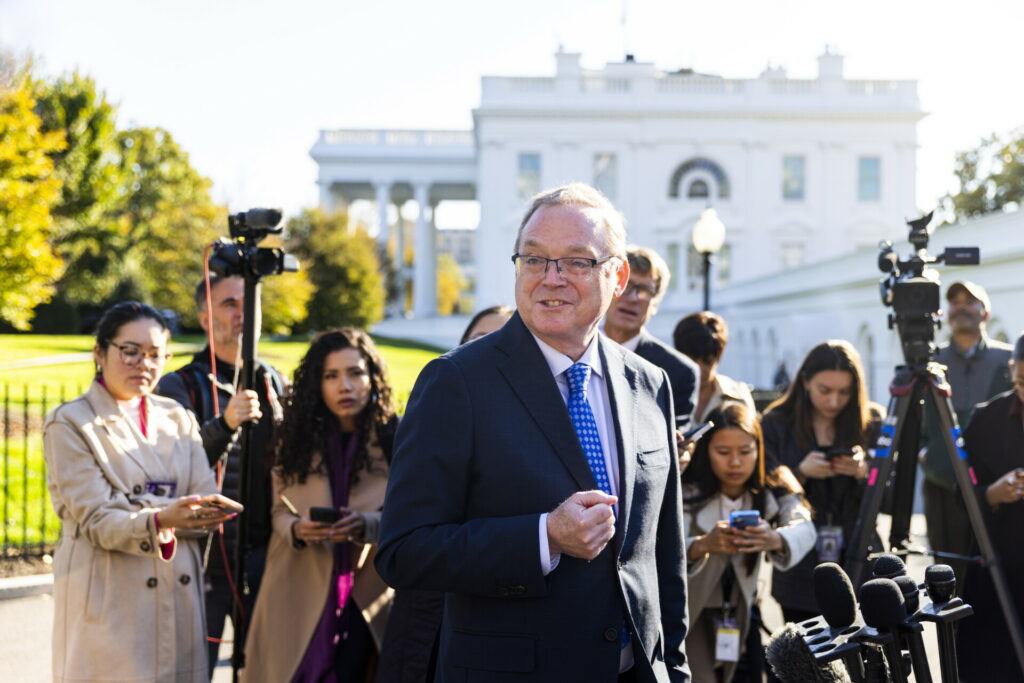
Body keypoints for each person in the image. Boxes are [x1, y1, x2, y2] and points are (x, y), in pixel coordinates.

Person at [376, 183, 691, 682]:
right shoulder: (456, 382)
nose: (552, 278)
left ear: (619, 275)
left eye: (576, 262)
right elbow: (404, 551)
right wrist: (543, 537)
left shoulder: (649, 384)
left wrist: (674, 669)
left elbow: (662, 555)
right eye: (534, 260)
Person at [44, 302, 241, 683]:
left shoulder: (177, 417)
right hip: (109, 601)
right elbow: (98, 519)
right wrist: (165, 517)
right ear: (99, 353)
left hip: (179, 599)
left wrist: (160, 513)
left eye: (155, 355)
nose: (144, 364)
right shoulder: (70, 422)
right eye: (130, 351)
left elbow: (202, 497)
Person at [243, 328, 397, 683]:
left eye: (355, 372)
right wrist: (297, 529)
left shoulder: (394, 437)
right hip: (298, 584)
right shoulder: (293, 438)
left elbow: (410, 516)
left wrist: (366, 525)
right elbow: (278, 513)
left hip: (368, 590)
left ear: (372, 377)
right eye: (332, 376)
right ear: (317, 382)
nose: (345, 386)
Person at [156, 274, 286, 675]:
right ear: (204, 315)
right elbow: (175, 466)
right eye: (230, 303)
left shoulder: (275, 381)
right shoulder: (179, 385)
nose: (242, 313)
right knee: (193, 670)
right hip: (204, 563)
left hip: (266, 557)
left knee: (263, 671)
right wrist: (226, 423)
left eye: (250, 303)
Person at [683, 403, 815, 683]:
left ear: (759, 450)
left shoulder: (773, 486)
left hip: (742, 611)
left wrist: (775, 538)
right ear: (706, 451)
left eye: (745, 452)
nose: (735, 462)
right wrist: (702, 545)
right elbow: (659, 546)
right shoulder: (684, 489)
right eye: (723, 452)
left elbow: (804, 526)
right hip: (689, 611)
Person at [762, 340, 883, 623]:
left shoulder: (871, 421)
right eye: (824, 391)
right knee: (806, 660)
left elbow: (892, 496)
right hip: (799, 565)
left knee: (863, 660)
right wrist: (799, 473)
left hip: (859, 558)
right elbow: (761, 491)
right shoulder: (776, 422)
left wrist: (864, 473)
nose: (833, 401)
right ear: (805, 382)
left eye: (844, 392)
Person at [920, 280, 1013, 585]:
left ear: (985, 312)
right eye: (954, 302)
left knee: (998, 574)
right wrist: (925, 454)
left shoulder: (1008, 361)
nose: (961, 306)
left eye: (970, 301)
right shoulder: (930, 362)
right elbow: (917, 419)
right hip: (943, 487)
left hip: (994, 488)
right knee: (948, 576)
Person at [955, 331, 1024, 681]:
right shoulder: (988, 418)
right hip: (999, 569)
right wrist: (992, 494)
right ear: (1012, 371)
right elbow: (961, 492)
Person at [603, 245, 699, 431]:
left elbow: (677, 439)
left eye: (645, 290)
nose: (633, 298)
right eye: (626, 285)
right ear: (608, 288)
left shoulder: (679, 372)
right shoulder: (571, 351)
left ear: (655, 303)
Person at [673, 311, 755, 422]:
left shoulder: (739, 396)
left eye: (707, 361)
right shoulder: (662, 395)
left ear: (718, 357)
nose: (699, 368)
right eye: (692, 361)